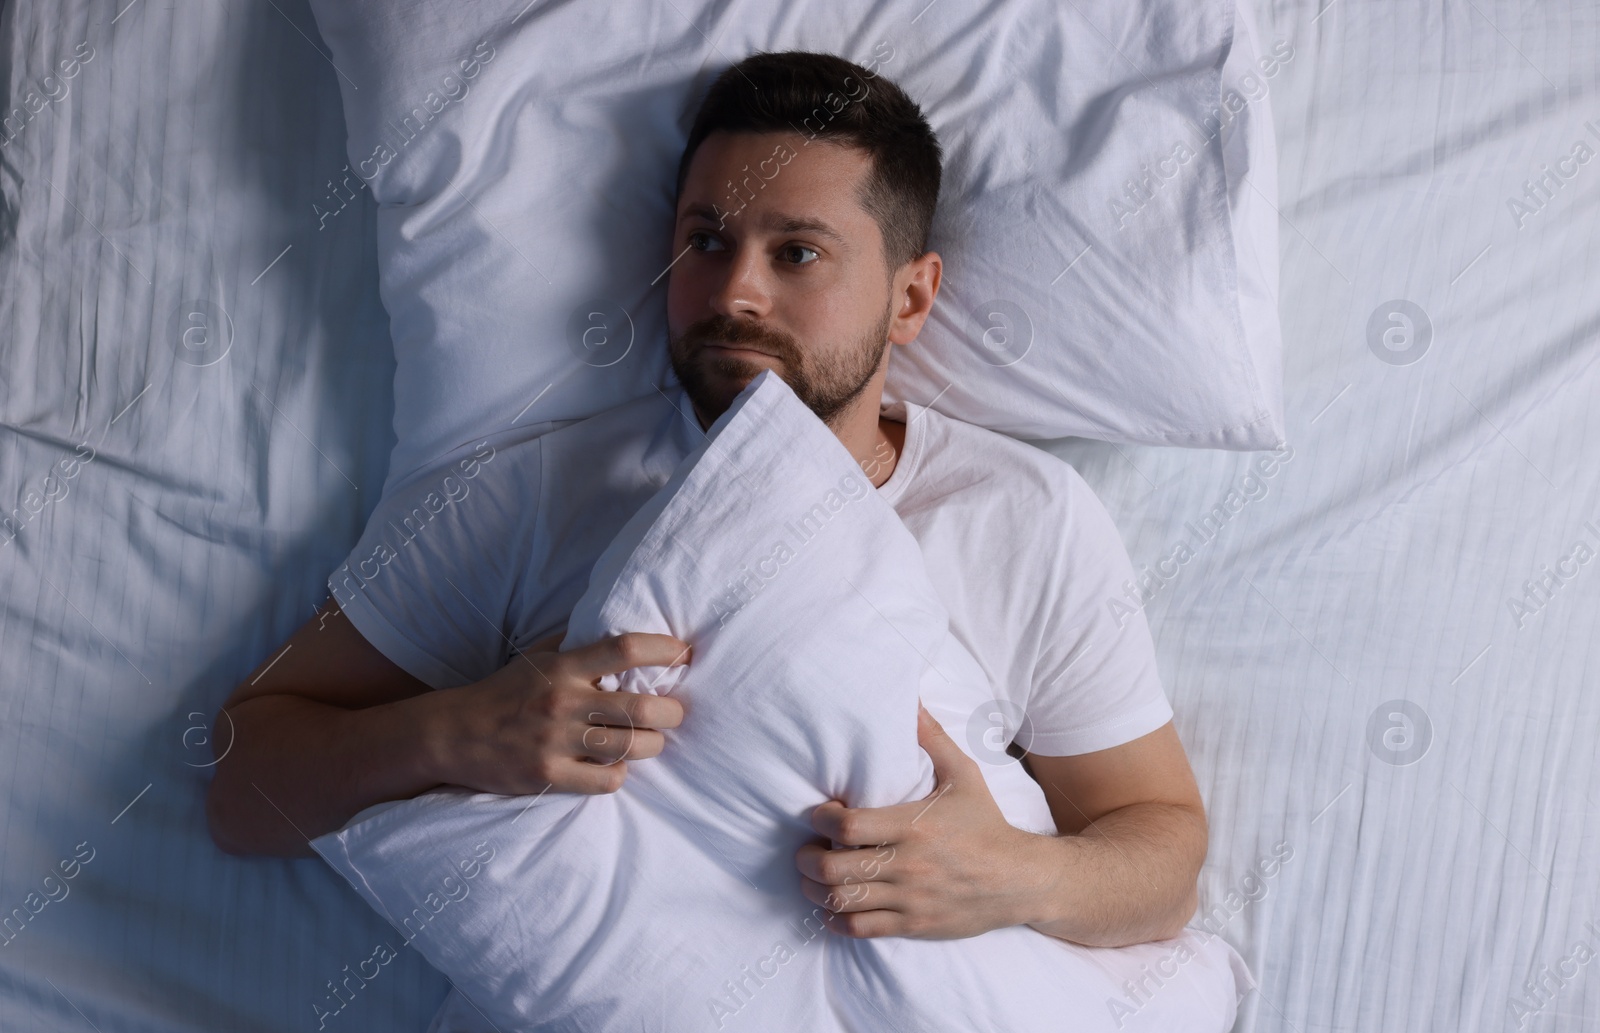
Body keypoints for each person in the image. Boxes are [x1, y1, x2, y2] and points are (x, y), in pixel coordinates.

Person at [207, 50, 1208, 950]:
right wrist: (452, 732)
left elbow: (1161, 863)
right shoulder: (527, 494)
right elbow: (242, 792)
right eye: (706, 241)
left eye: (797, 253)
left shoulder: (1019, 515)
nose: (734, 292)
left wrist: (1016, 877)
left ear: (909, 298)